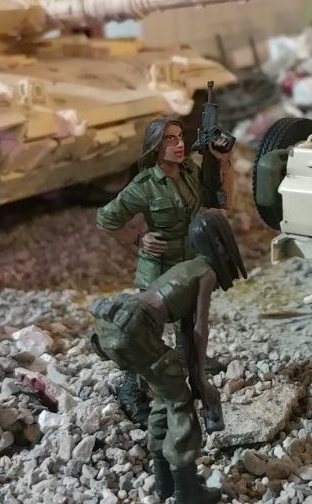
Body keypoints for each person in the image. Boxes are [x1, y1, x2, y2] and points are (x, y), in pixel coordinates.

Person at [89, 211, 246, 504]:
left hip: (116, 324)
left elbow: (180, 324)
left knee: (164, 397)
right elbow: (199, 329)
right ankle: (187, 491)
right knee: (180, 404)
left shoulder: (186, 266)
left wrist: (189, 370)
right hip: (136, 330)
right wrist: (200, 380)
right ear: (221, 246)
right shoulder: (206, 273)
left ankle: (165, 483)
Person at [95, 117, 235, 422]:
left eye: (180, 137)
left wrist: (223, 163)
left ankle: (192, 361)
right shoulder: (144, 185)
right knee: (144, 334)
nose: (180, 144)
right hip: (157, 269)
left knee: (190, 322)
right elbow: (106, 219)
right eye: (170, 139)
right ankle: (132, 390)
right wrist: (137, 238)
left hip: (189, 259)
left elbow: (223, 203)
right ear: (156, 147)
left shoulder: (190, 173)